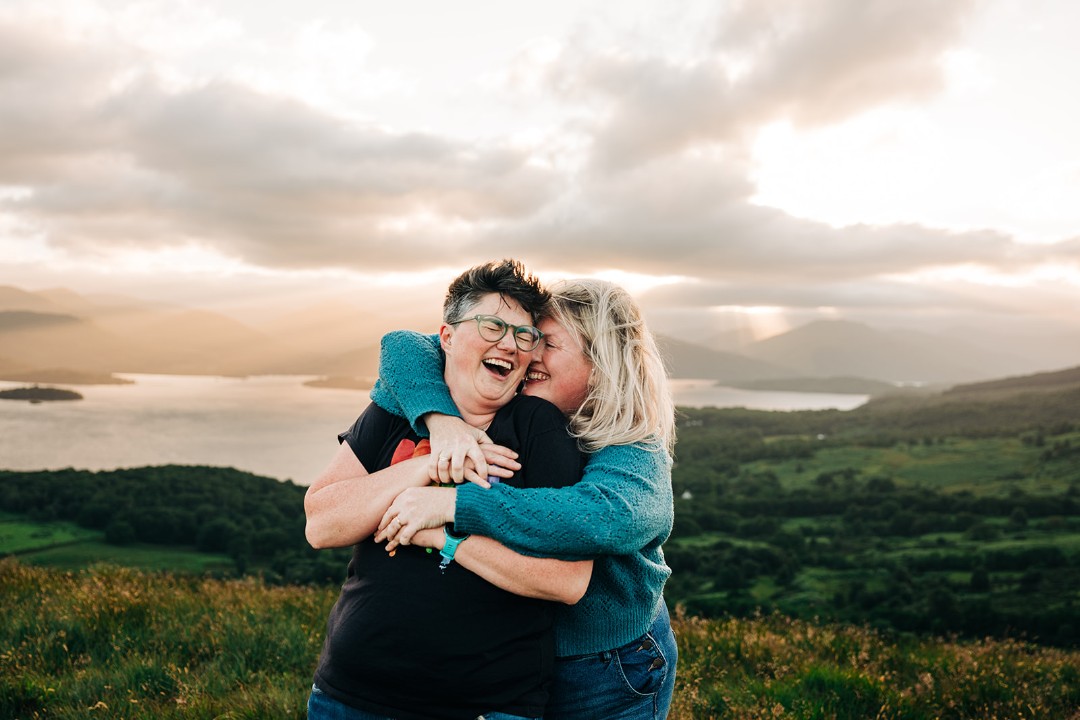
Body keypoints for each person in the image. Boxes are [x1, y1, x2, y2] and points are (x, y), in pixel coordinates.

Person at [370, 277, 678, 720]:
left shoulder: (632, 443)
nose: (527, 355)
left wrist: (455, 506)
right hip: (524, 659)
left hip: (607, 666)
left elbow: (602, 518)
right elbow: (402, 346)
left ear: (601, 362)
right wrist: (442, 422)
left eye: (547, 344)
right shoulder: (529, 409)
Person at [304, 259, 593, 720]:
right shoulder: (396, 411)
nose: (510, 345)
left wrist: (444, 532)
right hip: (348, 695)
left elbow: (567, 581)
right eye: (493, 325)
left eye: (524, 336)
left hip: (484, 706)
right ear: (447, 336)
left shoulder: (538, 429)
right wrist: (423, 467)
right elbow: (321, 523)